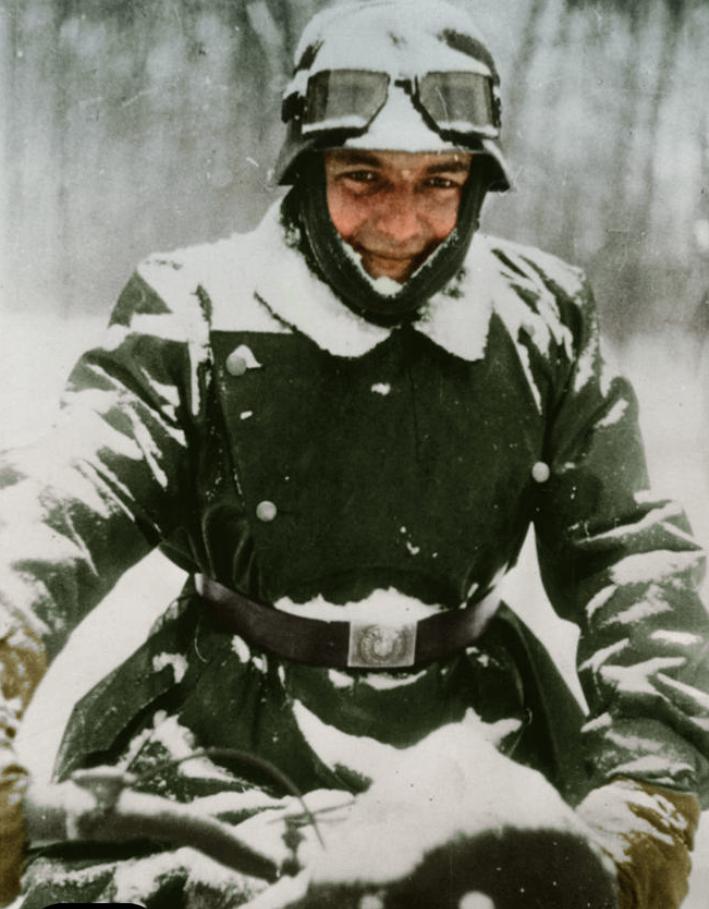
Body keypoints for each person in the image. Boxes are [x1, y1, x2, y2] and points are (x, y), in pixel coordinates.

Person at [2, 1, 709, 906]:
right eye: (363, 178)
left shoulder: (541, 317)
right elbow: (64, 497)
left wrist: (650, 771)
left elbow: (628, 550)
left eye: (438, 181)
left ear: (474, 185)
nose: (400, 223)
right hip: (221, 738)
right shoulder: (194, 307)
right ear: (307, 170)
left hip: (483, 738)